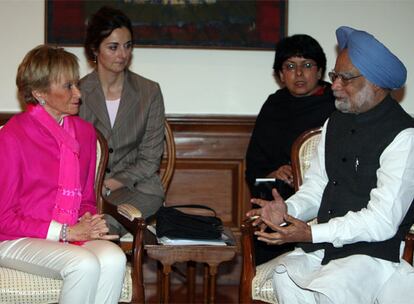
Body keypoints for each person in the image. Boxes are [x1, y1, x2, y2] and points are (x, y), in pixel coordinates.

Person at [247, 26, 414, 304]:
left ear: (375, 83)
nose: (334, 85)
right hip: (325, 249)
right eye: (335, 76)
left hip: (372, 255)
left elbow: (382, 221)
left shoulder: (404, 136)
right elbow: (317, 188)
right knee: (284, 275)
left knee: (329, 290)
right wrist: (288, 209)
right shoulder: (334, 122)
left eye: (345, 78)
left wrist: (312, 231)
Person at [0, 45, 126, 304]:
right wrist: (65, 232)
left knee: (115, 258)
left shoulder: (85, 133)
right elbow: (3, 218)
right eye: (68, 86)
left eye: (76, 84)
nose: (78, 93)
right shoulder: (13, 136)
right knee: (83, 264)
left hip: (65, 233)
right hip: (13, 238)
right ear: (39, 93)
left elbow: (87, 200)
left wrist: (91, 224)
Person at [245, 34, 336, 265]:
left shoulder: (337, 103)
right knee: (267, 201)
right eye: (290, 66)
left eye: (307, 65)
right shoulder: (273, 106)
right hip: (279, 192)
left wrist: (303, 171)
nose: (299, 74)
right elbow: (255, 161)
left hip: (326, 196)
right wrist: (273, 172)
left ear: (320, 71)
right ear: (280, 75)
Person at [79, 6, 166, 233]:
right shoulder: (77, 92)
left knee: (105, 224)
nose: (123, 54)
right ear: (94, 49)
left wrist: (108, 185)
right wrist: (94, 189)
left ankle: (98, 239)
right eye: (113, 47)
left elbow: (150, 159)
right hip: (85, 191)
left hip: (138, 189)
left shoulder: (149, 92)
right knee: (91, 222)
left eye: (128, 46)